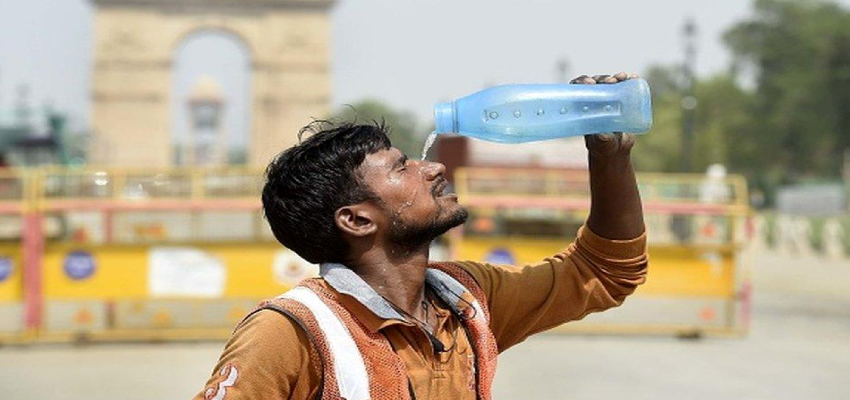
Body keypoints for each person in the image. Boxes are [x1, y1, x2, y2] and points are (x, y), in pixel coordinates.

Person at [194, 73, 648, 400]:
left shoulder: (468, 300)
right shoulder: (292, 332)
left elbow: (604, 271)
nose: (433, 167)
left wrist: (609, 157)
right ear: (356, 220)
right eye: (400, 167)